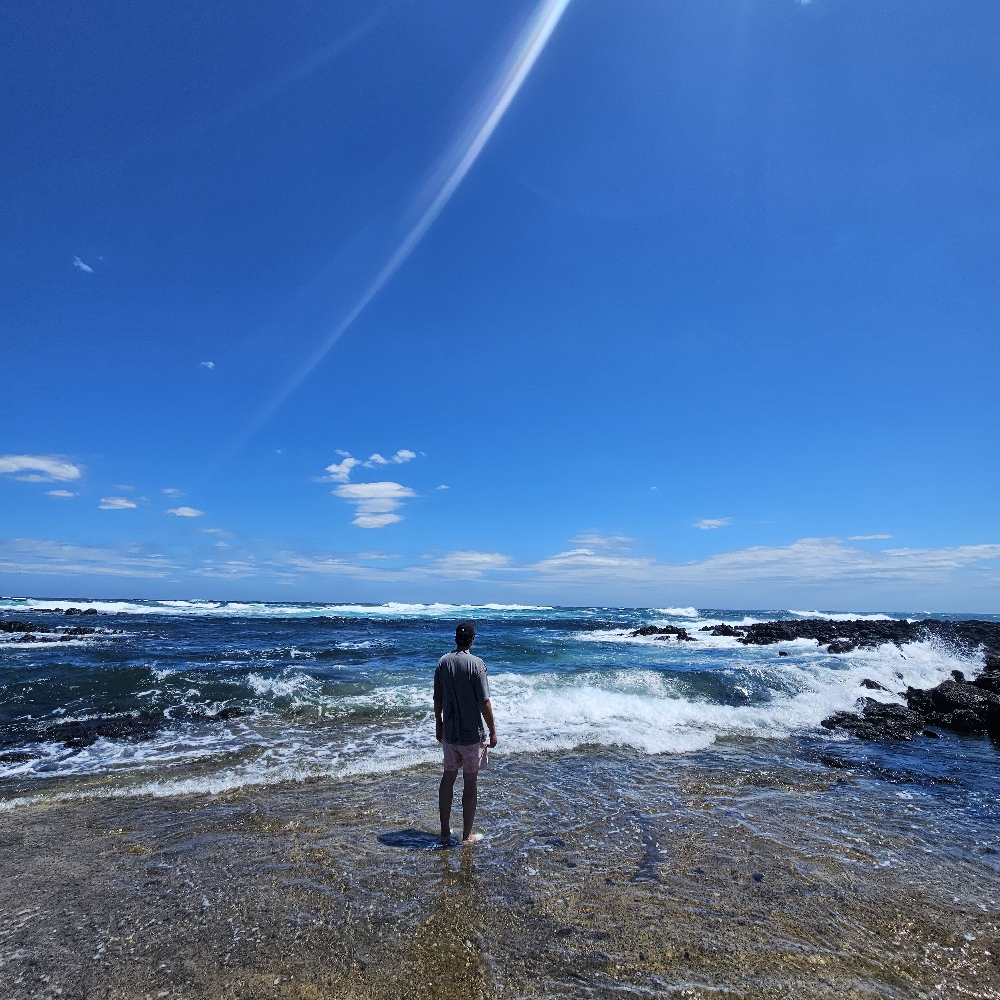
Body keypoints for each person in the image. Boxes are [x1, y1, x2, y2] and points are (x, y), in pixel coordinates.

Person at [433, 621, 498, 845]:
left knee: (448, 778)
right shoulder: (477, 664)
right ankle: (466, 835)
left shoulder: (443, 662)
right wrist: (493, 730)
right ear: (472, 640)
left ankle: (444, 832)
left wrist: (439, 724)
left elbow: (437, 699)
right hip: (471, 735)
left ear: (455, 639)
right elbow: (484, 702)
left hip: (450, 733)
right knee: (470, 782)